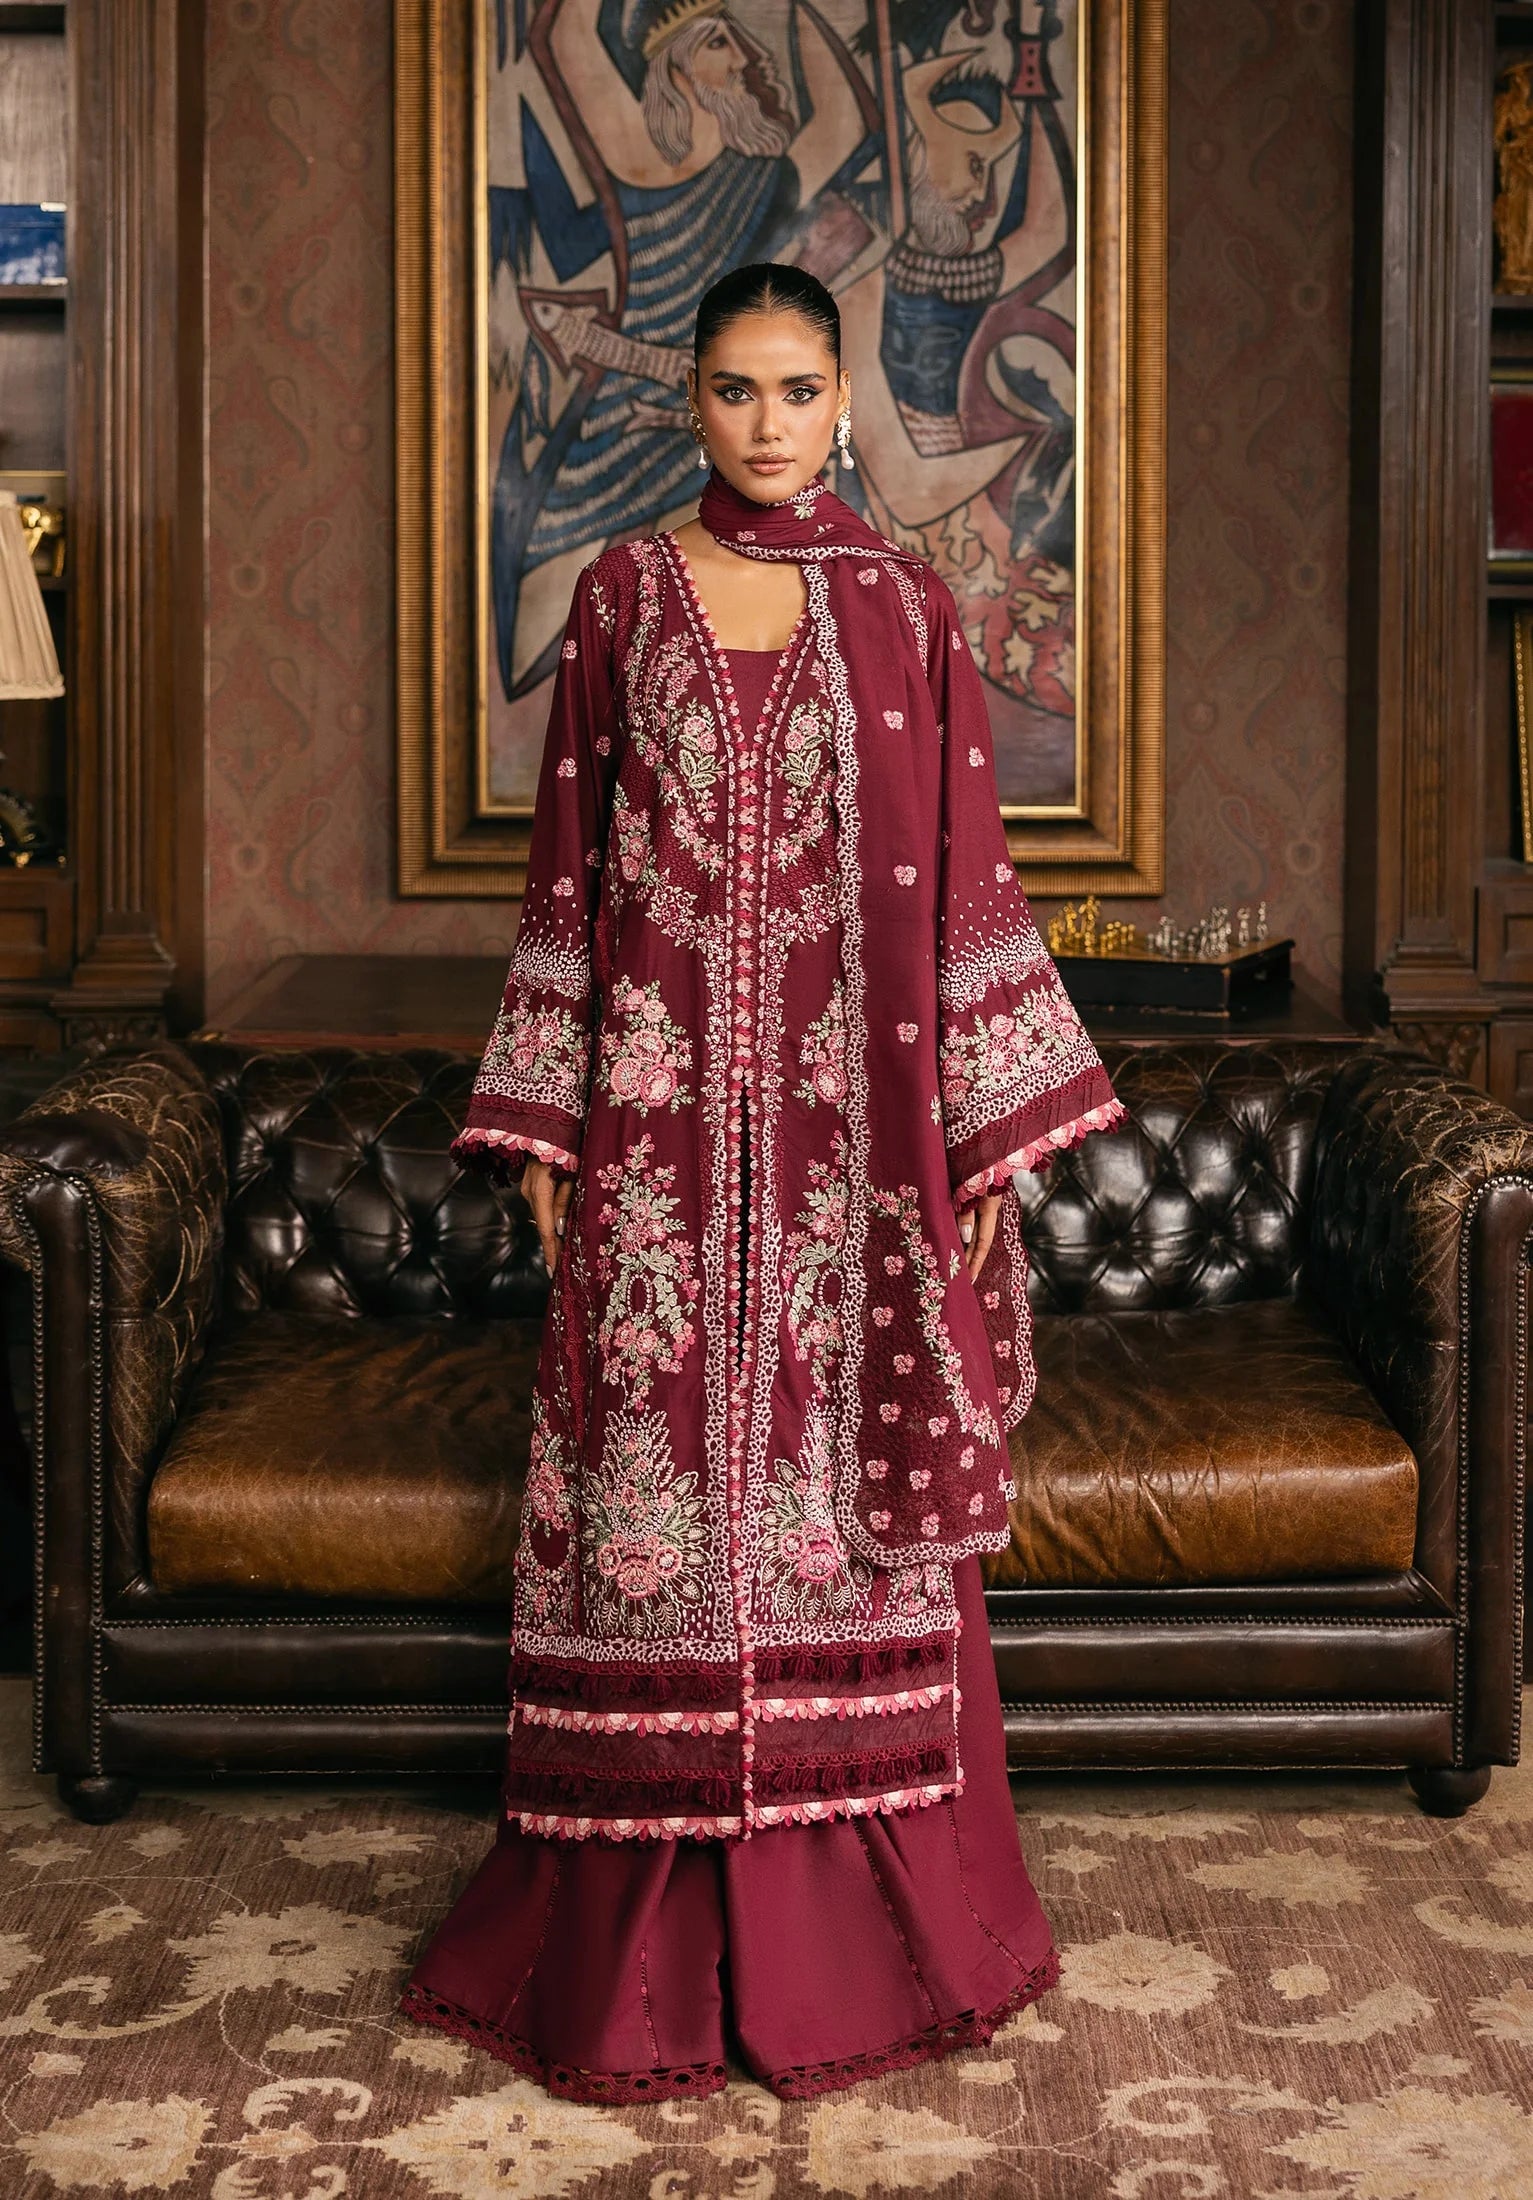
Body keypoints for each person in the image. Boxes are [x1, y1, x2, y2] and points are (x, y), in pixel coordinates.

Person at [399, 262, 1127, 2103]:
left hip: (847, 1152)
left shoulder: (905, 607)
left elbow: (969, 878)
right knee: (649, 1480)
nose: (770, 425)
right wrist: (556, 1124)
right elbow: (567, 870)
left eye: (802, 392)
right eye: (735, 391)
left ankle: (845, 1931)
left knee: (830, 1495)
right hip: (651, 1138)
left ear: (835, 401)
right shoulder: (620, 597)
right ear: (693, 403)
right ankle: (634, 1954)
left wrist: (976, 1139)